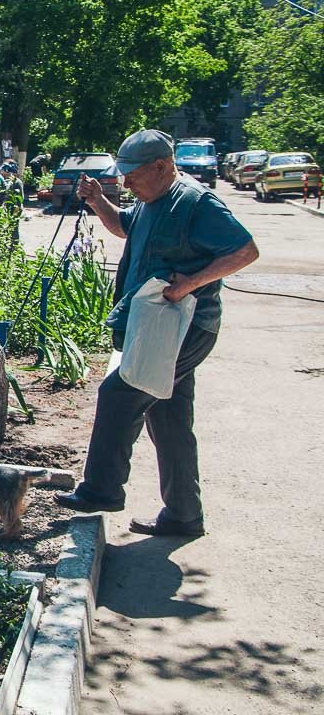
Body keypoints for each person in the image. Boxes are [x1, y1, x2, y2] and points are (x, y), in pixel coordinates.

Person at [56, 129, 258, 536]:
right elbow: (123, 227)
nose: (126, 182)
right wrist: (98, 201)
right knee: (168, 416)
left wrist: (189, 284)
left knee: (119, 393)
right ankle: (183, 514)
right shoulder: (151, 200)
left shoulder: (196, 203)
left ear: (163, 166)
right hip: (161, 327)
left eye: (133, 174)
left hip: (184, 327)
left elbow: (244, 250)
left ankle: (101, 489)